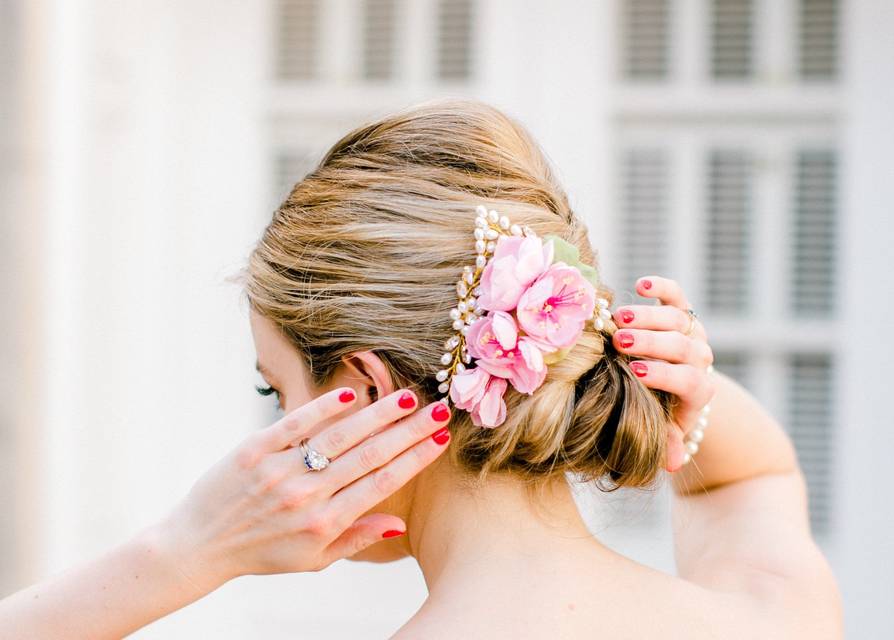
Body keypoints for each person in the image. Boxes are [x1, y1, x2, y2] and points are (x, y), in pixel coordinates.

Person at [0, 99, 842, 639]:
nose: (279, 425)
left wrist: (184, 549)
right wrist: (678, 386)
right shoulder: (770, 617)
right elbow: (751, 482)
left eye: (278, 388)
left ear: (366, 393)